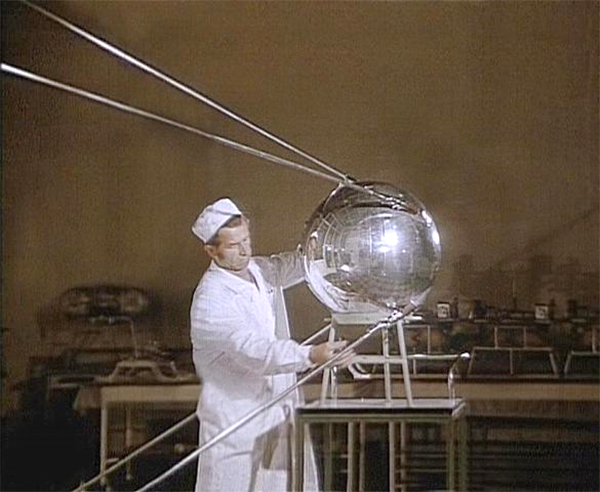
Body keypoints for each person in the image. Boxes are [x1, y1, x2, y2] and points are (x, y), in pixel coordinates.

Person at [190, 198, 353, 492]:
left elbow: (283, 267)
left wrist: (313, 252)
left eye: (246, 240)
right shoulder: (211, 299)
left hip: (278, 409)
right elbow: (254, 350)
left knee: (286, 484)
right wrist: (309, 355)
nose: (244, 250)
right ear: (211, 251)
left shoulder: (257, 270)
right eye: (233, 245)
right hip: (238, 422)